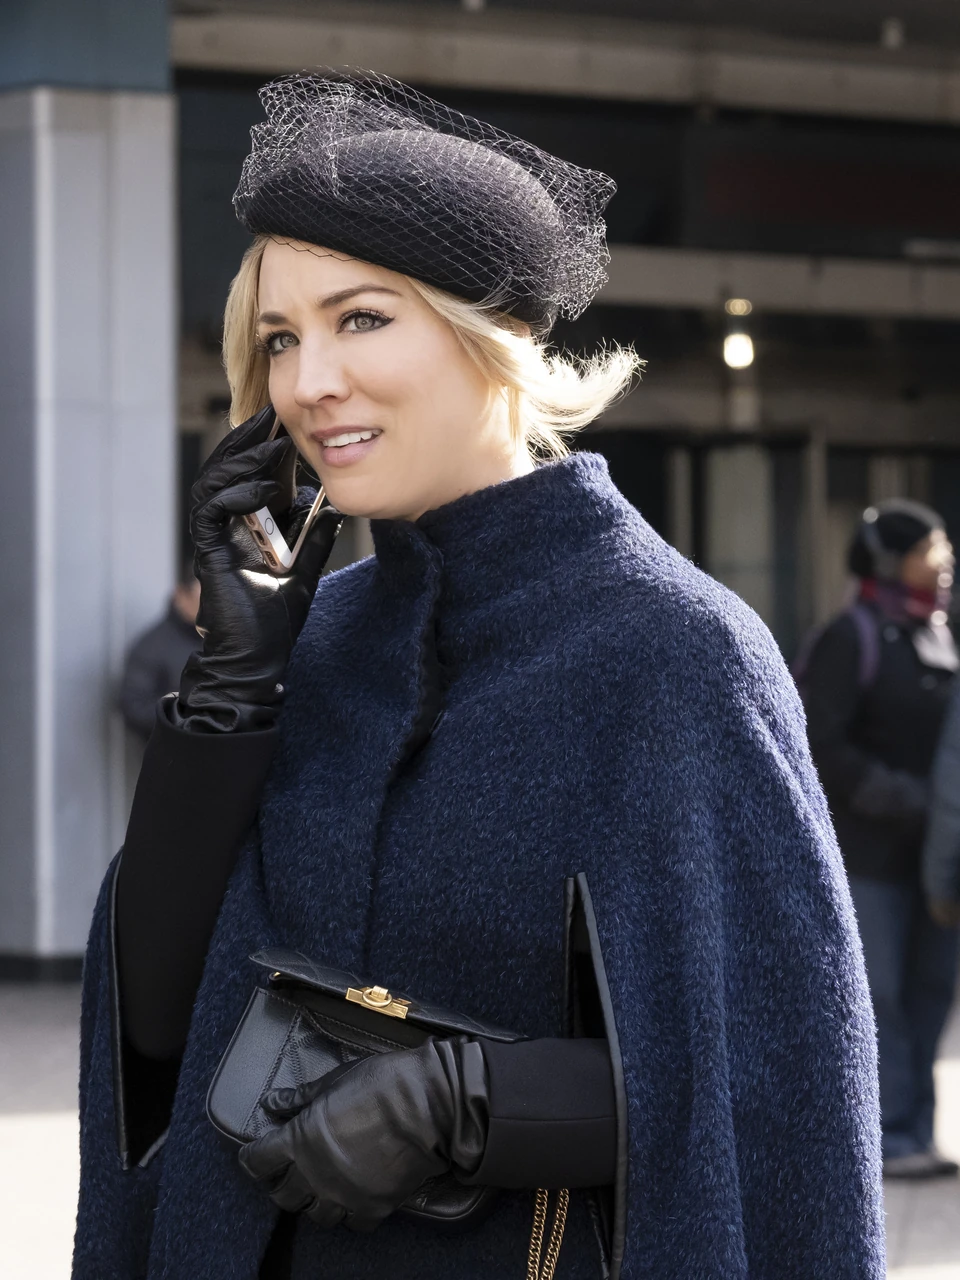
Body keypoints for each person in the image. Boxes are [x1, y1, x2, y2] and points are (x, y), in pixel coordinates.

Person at [75, 71, 881, 1278]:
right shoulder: (315, 640)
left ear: (491, 333)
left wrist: (477, 1103)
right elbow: (150, 1024)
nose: (307, 382)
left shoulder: (674, 652)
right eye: (281, 338)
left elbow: (779, 1092)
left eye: (360, 319)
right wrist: (230, 695)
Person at [802, 501, 959, 1180]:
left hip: (934, 858)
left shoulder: (939, 634)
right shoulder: (851, 638)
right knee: (880, 999)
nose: (944, 560)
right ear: (892, 560)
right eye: (930, 548)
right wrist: (904, 797)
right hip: (869, 857)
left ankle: (916, 1129)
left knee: (930, 993)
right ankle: (886, 1137)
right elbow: (822, 744)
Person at [120, 568, 202, 738]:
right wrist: (186, 713)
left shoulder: (226, 638)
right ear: (181, 595)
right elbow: (134, 707)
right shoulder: (152, 646)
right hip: (175, 747)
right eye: (204, 597)